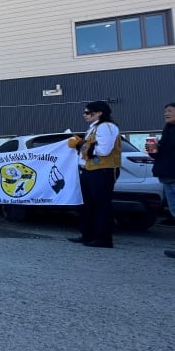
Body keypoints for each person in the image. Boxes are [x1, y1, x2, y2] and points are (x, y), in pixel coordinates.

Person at [67, 101, 121, 248]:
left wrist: (80, 145)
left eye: (88, 112)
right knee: (87, 205)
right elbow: (89, 148)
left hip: (102, 171)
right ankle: (88, 235)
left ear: (99, 113)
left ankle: (104, 239)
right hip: (89, 170)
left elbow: (103, 150)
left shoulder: (106, 127)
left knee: (101, 206)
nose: (84, 115)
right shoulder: (94, 128)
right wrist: (82, 143)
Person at [145, 102, 175, 257]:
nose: (166, 114)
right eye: (165, 111)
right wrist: (153, 150)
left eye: (169, 111)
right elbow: (162, 154)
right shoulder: (168, 129)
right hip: (167, 176)